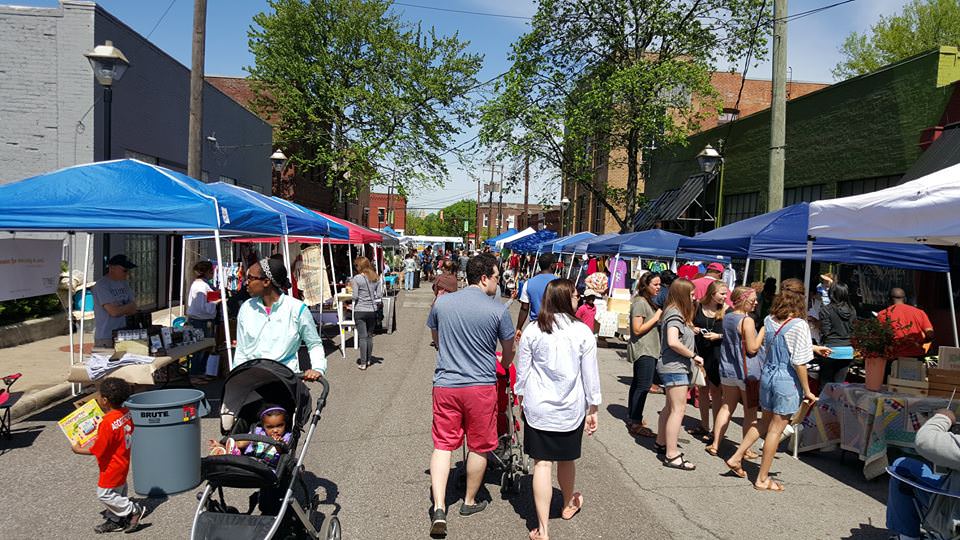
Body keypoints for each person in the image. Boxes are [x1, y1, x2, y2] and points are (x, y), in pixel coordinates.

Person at [426, 253, 516, 536]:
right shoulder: (497, 310)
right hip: (480, 386)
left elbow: (436, 339)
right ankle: (469, 500)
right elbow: (508, 349)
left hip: (446, 384)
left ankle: (439, 506)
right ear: (484, 277)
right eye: (497, 277)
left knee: (443, 445)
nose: (498, 282)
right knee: (479, 445)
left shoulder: (443, 302)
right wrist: (502, 364)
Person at [515, 279, 601, 540]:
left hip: (538, 407)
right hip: (570, 408)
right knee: (567, 458)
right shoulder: (582, 331)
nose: (578, 299)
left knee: (541, 464)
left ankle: (543, 529)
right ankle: (566, 504)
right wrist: (593, 406)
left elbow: (523, 369)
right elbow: (590, 374)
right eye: (575, 296)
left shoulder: (533, 329)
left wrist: (519, 396)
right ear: (565, 298)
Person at [725, 279, 828, 491]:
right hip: (786, 380)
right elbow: (799, 361)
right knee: (775, 430)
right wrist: (807, 390)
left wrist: (814, 349)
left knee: (764, 423)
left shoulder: (770, 320)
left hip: (768, 375)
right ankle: (762, 478)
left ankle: (736, 456)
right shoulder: (800, 324)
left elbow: (770, 343)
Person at [71, 377, 146, 534]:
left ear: (104, 400)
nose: (97, 398)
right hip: (122, 459)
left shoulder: (106, 423)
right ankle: (115, 519)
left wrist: (78, 449)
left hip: (111, 464)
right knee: (117, 491)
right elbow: (128, 430)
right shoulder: (126, 412)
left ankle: (133, 509)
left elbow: (99, 450)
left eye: (99, 395)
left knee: (104, 494)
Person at [234, 258, 324, 381]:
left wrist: (318, 369)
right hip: (252, 379)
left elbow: (314, 343)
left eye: (250, 278)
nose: (246, 282)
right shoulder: (247, 307)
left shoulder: (297, 309)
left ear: (266, 282)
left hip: (285, 379)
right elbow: (241, 349)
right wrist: (236, 376)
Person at [706, 286, 764, 459]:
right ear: (743, 300)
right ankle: (745, 449)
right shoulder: (747, 321)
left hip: (728, 369)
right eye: (753, 300)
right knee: (750, 413)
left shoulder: (728, 316)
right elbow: (752, 348)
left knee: (726, 406)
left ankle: (715, 444)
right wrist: (762, 332)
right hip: (747, 373)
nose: (755, 303)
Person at [885, 408, 960, 540]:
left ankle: (907, 536)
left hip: (953, 514)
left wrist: (943, 417)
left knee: (901, 465)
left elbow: (924, 441)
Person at [655, 278, 702, 471]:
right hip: (675, 366)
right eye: (691, 294)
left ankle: (661, 442)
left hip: (673, 366)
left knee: (670, 407)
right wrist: (694, 355)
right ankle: (672, 454)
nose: (694, 298)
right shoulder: (675, 314)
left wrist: (691, 330)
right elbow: (673, 341)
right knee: (678, 409)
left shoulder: (674, 313)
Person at [626, 272, 662, 438]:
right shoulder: (640, 302)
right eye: (655, 284)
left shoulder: (647, 301)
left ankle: (633, 417)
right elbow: (637, 328)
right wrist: (656, 317)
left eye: (659, 284)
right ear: (645, 285)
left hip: (649, 348)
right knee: (643, 386)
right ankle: (635, 421)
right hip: (644, 349)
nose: (658, 287)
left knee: (638, 384)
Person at [691, 280, 727, 442]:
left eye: (726, 294)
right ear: (712, 294)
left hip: (717, 354)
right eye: (722, 293)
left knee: (716, 392)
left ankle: (716, 429)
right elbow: (688, 322)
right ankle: (704, 425)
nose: (725, 297)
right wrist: (693, 328)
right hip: (700, 351)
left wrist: (717, 336)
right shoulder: (698, 306)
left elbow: (734, 335)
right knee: (702, 389)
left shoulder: (726, 310)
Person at [209, 405, 292, 469]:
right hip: (250, 461)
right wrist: (223, 445)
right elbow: (242, 443)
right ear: (263, 426)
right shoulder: (258, 432)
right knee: (246, 441)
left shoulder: (286, 437)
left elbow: (282, 452)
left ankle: (233, 457)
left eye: (279, 426)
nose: (275, 430)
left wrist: (278, 444)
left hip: (269, 468)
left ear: (285, 424)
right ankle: (228, 451)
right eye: (270, 427)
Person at [92, 254, 139, 348]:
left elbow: (134, 308)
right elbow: (114, 312)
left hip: (122, 333)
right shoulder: (102, 285)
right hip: (106, 337)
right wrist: (126, 308)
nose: (127, 273)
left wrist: (121, 308)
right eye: (124, 270)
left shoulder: (124, 283)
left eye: (128, 270)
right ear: (112, 268)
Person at [816, 282, 857, 384]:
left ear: (831, 293)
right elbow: (854, 329)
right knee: (839, 385)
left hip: (830, 350)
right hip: (847, 351)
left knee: (825, 385)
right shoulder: (852, 310)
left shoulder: (826, 310)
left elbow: (825, 331)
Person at [186, 260, 220, 377]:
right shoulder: (200, 286)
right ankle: (196, 374)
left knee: (205, 347)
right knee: (199, 348)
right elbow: (203, 307)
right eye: (211, 271)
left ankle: (201, 372)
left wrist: (216, 297)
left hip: (204, 320)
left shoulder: (204, 284)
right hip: (200, 321)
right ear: (207, 272)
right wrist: (217, 301)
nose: (212, 273)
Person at [878, 287, 935, 358]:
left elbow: (879, 338)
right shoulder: (919, 312)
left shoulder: (883, 314)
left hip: (893, 356)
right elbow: (930, 334)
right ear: (905, 299)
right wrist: (922, 341)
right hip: (916, 355)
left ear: (889, 299)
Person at [351, 256, 383, 371]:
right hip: (372, 310)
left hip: (360, 310)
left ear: (359, 266)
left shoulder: (356, 278)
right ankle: (369, 360)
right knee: (369, 336)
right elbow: (379, 295)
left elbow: (354, 296)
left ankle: (363, 362)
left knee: (362, 337)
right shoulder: (375, 277)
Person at [517, 253, 559, 334]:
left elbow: (524, 308)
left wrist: (519, 327)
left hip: (535, 326)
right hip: (554, 326)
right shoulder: (560, 283)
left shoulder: (528, 283)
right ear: (552, 265)